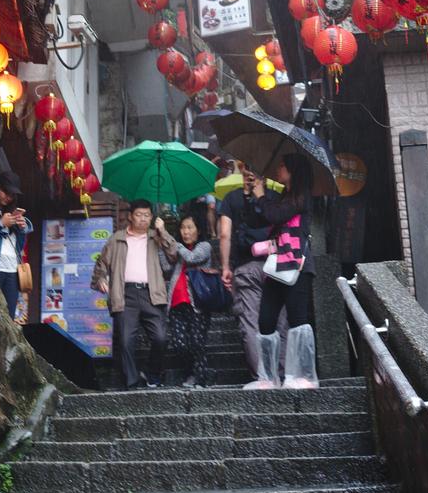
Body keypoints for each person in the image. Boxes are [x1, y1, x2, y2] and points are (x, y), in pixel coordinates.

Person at [245, 153, 319, 390]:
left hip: (298, 266)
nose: (278, 169)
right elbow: (259, 220)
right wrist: (252, 195)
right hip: (277, 266)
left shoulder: (302, 197)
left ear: (293, 170)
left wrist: (262, 196)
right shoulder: (285, 197)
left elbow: (274, 214)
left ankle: (304, 375)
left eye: (282, 166)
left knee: (298, 319)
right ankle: (268, 377)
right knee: (266, 319)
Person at [219, 161, 287, 380]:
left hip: (246, 266)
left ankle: (263, 378)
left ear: (241, 170)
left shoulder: (231, 199)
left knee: (250, 322)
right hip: (276, 266)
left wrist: (225, 267)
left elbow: (224, 235)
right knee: (280, 320)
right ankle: (283, 374)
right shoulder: (275, 198)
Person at [91, 199, 168, 390]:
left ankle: (152, 374)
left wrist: (163, 231)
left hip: (152, 293)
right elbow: (101, 264)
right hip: (126, 294)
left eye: (147, 215)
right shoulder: (116, 238)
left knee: (160, 337)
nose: (143, 219)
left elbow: (173, 253)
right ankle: (132, 382)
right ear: (130, 216)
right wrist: (100, 279)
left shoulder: (156, 237)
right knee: (126, 340)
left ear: (152, 217)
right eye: (139, 215)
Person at [158, 213, 213, 387]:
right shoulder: (179, 249)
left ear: (198, 230)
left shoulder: (205, 246)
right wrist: (161, 245)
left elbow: (192, 258)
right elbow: (166, 267)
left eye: (190, 227)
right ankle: (194, 373)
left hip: (197, 303)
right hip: (176, 303)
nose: (186, 231)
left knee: (197, 342)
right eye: (183, 228)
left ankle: (201, 377)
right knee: (180, 344)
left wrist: (173, 243)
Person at [0, 173, 32, 321]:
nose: (8, 197)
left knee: (9, 316)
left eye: (12, 195)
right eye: (6, 192)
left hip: (12, 270)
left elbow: (18, 247)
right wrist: (0, 224)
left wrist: (21, 228)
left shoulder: (9, 212)